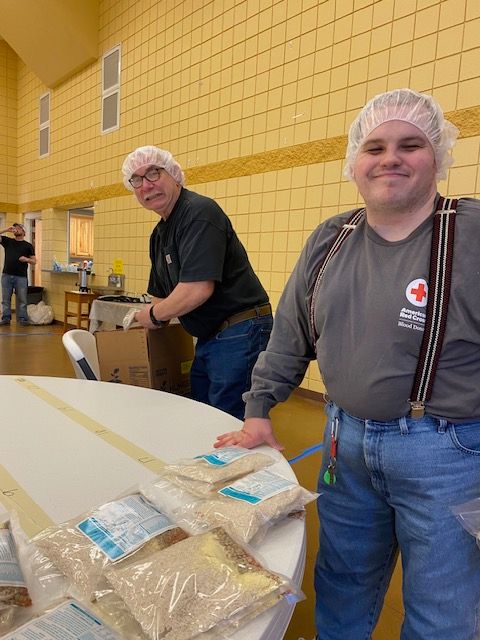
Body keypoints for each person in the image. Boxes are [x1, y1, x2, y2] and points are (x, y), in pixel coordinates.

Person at [214, 89, 480, 640]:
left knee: (443, 606)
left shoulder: (472, 234)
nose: (391, 158)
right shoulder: (331, 240)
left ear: (439, 157)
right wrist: (260, 407)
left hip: (447, 454)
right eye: (374, 146)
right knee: (342, 582)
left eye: (411, 144)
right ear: (354, 163)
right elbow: (290, 333)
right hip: (345, 444)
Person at [121, 146, 273, 421]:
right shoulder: (159, 234)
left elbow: (197, 288)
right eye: (137, 180)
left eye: (154, 173)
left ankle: (239, 464)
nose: (147, 185)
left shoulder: (199, 213)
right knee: (203, 412)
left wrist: (153, 316)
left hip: (240, 330)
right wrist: (147, 319)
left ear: (175, 175)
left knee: (228, 418)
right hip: (209, 336)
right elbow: (159, 294)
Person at [0, 223, 36, 326]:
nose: (17, 229)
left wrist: (26, 259)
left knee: (22, 299)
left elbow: (34, 261)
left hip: (21, 277)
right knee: (5, 299)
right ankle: (6, 318)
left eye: (19, 228)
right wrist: (7, 229)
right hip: (6, 275)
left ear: (24, 232)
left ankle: (23, 319)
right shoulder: (8, 241)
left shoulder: (28, 246)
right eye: (15, 228)